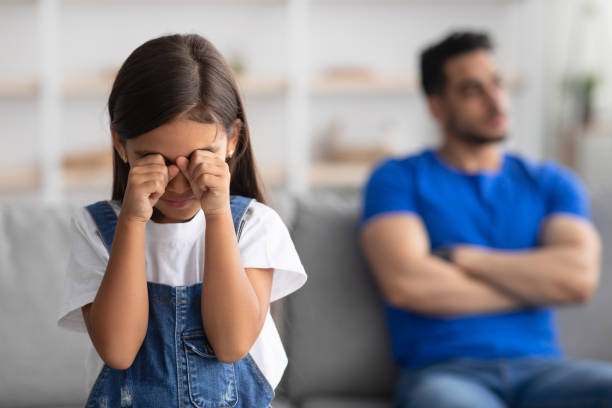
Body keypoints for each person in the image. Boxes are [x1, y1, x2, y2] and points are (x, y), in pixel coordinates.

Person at [360, 31, 612, 408]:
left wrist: (465, 259)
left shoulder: (551, 182)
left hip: (546, 372)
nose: (495, 100)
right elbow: (409, 285)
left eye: (497, 83)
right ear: (437, 107)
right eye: (471, 89)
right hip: (445, 374)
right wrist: (534, 285)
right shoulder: (397, 178)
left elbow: (577, 279)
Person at [57, 34, 306, 407]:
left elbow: (233, 343)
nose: (177, 180)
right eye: (153, 159)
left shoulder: (254, 226)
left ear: (233, 140)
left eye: (200, 156)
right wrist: (131, 220)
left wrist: (218, 213)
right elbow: (119, 351)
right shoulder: (96, 229)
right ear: (120, 143)